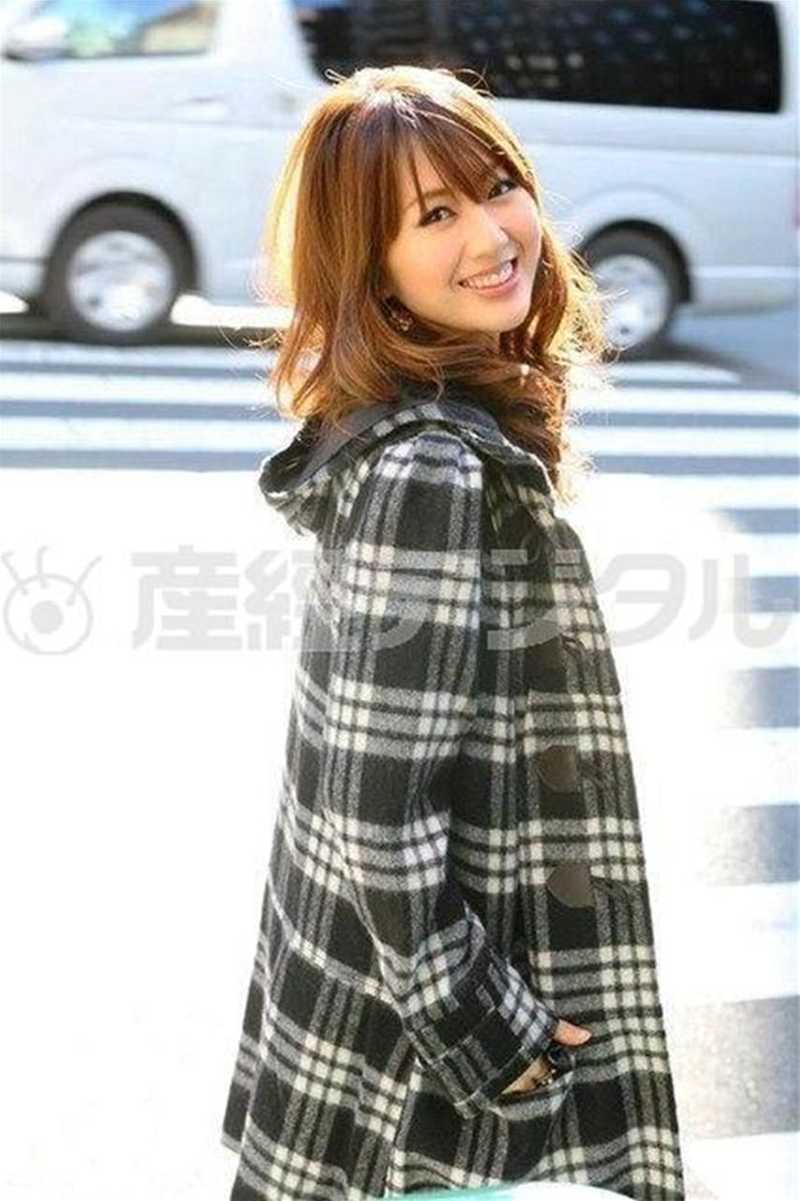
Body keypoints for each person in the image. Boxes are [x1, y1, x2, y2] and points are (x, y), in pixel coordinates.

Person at [221, 64, 686, 1201]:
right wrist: (495, 1033)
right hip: (422, 1083)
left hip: (390, 1039)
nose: (492, 234)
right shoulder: (429, 467)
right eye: (434, 215)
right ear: (367, 266)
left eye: (498, 187)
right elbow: (374, 811)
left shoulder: (415, 428)